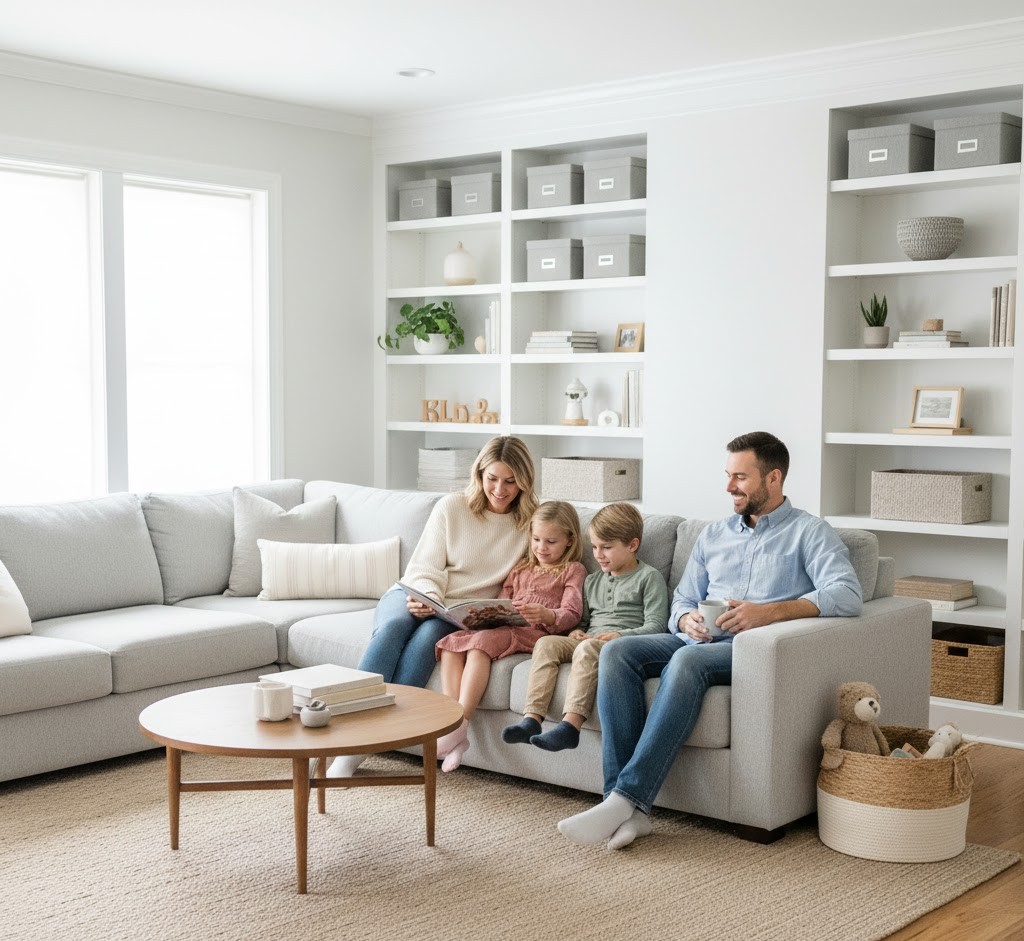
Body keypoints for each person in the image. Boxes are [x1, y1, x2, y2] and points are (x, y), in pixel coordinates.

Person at [557, 431, 863, 849]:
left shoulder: (809, 532)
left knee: (686, 663)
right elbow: (683, 598)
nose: (729, 486)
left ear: (773, 478)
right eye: (728, 475)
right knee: (617, 652)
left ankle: (625, 798)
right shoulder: (715, 535)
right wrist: (686, 620)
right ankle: (629, 810)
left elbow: (846, 594)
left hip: (751, 650)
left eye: (740, 477)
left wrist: (769, 612)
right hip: (698, 641)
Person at [327, 435, 538, 779]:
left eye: (511, 481)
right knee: (394, 628)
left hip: (458, 613)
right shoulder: (453, 507)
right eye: (492, 478)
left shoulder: (529, 525)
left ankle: (357, 750)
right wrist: (427, 597)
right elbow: (424, 566)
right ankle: (346, 736)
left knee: (426, 641)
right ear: (479, 474)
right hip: (415, 591)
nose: (499, 489)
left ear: (525, 482)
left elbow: (530, 579)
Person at [433, 501, 587, 773]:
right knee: (450, 645)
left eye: (551, 542)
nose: (541, 547)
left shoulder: (572, 570)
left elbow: (572, 612)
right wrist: (490, 613)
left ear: (570, 540)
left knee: (479, 646)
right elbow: (503, 599)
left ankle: (460, 725)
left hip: (536, 633)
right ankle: (453, 726)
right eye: (536, 539)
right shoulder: (522, 567)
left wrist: (548, 615)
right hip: (507, 627)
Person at [502, 502, 669, 754]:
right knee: (546, 643)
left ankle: (570, 726)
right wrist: (574, 632)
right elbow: (583, 621)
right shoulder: (592, 580)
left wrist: (619, 635)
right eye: (594, 547)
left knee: (588, 648)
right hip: (589, 639)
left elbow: (657, 626)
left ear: (632, 545)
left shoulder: (649, 577)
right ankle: (531, 720)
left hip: (623, 645)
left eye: (606, 547)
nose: (598, 554)